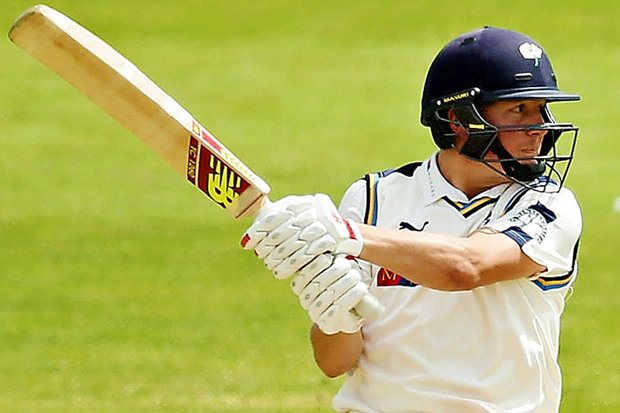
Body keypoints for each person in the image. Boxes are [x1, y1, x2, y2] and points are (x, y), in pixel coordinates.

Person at [241, 26, 581, 413]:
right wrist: (334, 313)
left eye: (541, 109)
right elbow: (335, 363)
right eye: (518, 110)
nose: (538, 128)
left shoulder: (550, 204)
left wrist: (345, 234)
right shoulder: (374, 199)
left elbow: (465, 267)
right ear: (457, 120)